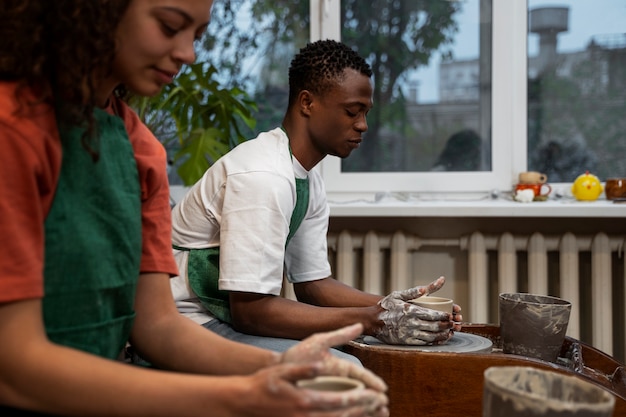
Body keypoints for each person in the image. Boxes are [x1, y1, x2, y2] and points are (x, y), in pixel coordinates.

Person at [0, 1, 389, 416]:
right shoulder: (15, 129)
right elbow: (14, 365)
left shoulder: (140, 149)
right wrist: (241, 394)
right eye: (170, 27)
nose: (188, 53)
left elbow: (157, 326)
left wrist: (281, 368)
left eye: (198, 36)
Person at [169, 40, 463, 356]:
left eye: (365, 112)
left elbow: (313, 286)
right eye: (352, 111)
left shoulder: (306, 178)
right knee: (344, 369)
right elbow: (251, 312)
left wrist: (396, 307)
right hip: (183, 323)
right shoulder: (263, 176)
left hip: (225, 319)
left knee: (360, 349)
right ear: (307, 103)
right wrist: (371, 320)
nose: (362, 125)